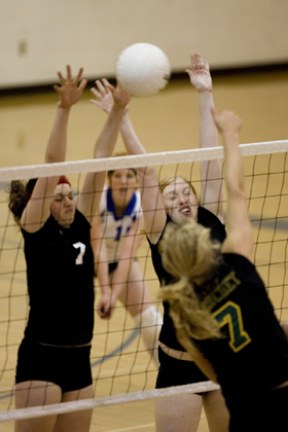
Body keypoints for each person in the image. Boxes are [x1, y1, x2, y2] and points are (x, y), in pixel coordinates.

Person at [91, 54, 229, 432]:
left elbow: (209, 159)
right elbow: (147, 169)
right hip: (178, 365)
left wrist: (205, 94)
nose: (182, 197)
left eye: (187, 192)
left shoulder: (212, 219)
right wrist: (122, 114)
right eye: (173, 196)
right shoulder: (158, 230)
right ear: (162, 209)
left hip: (222, 359)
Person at [8, 66, 130, 432]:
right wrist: (64, 110)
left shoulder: (80, 221)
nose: (67, 200)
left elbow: (100, 160)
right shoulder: (36, 230)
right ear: (40, 203)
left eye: (69, 194)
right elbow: (53, 165)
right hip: (41, 359)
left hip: (81, 358)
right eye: (58, 196)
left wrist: (119, 112)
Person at [160, 110, 288, 432]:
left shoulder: (184, 315)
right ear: (207, 244)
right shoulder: (238, 263)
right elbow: (237, 191)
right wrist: (230, 135)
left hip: (244, 411)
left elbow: (216, 373)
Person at [90, 155, 162, 365]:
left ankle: (170, 371)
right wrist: (105, 292)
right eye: (118, 175)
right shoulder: (99, 201)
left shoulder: (141, 208)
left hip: (119, 260)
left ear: (136, 181)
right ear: (109, 179)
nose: (123, 181)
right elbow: (99, 248)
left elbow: (128, 253)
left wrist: (114, 296)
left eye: (129, 175)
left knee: (149, 320)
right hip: (85, 260)